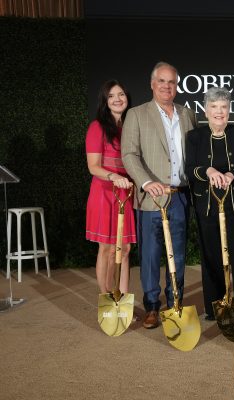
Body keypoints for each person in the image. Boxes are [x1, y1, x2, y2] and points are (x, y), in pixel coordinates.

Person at [121, 62, 197, 329]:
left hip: (180, 196)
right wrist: (145, 182)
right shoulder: (137, 114)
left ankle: (175, 301)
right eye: (162, 81)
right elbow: (129, 154)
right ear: (152, 84)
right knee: (151, 255)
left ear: (177, 86)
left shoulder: (187, 114)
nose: (167, 86)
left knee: (177, 254)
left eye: (172, 82)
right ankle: (152, 306)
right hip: (151, 197)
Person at [185, 87, 234, 329]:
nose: (219, 112)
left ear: (229, 110)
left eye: (223, 107)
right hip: (206, 206)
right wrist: (209, 171)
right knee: (211, 257)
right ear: (206, 110)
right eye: (214, 107)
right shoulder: (194, 137)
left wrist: (232, 174)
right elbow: (190, 169)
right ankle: (215, 307)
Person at [86, 80, 135, 295]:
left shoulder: (131, 126)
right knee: (106, 248)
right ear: (105, 102)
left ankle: (123, 300)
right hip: (105, 193)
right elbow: (93, 167)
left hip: (126, 193)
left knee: (124, 250)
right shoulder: (97, 127)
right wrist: (114, 177)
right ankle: (107, 298)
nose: (117, 99)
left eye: (121, 94)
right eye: (112, 96)